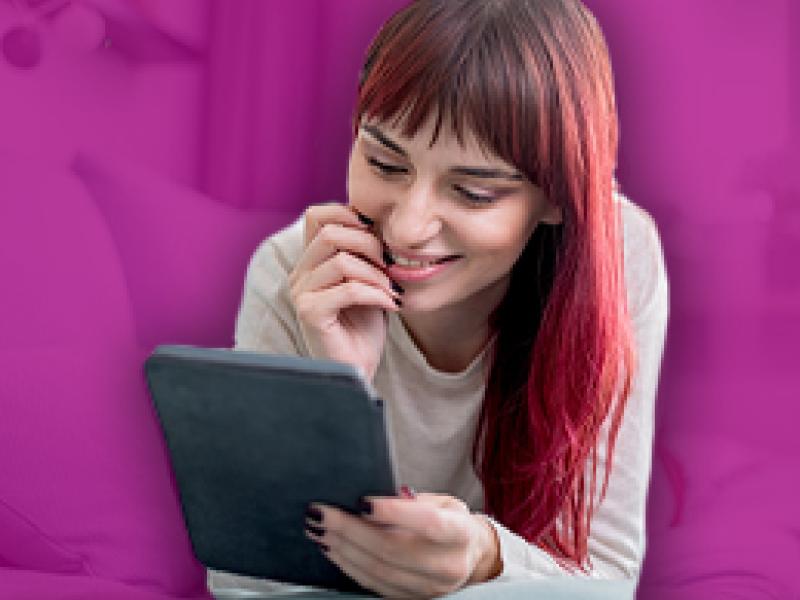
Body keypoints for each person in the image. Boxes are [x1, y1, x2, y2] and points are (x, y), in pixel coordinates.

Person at [212, 0, 668, 597]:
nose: (406, 228)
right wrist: (339, 399)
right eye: (383, 163)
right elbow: (247, 585)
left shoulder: (619, 256)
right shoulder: (294, 274)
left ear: (558, 198)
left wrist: (483, 557)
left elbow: (605, 578)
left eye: (474, 192)